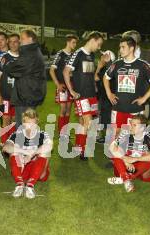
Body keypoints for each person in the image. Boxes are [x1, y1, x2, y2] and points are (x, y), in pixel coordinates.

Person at [103, 36, 150, 138]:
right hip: (118, 108)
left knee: (134, 137)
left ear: (131, 48)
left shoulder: (142, 65)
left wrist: (144, 98)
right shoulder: (117, 64)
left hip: (135, 109)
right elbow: (105, 78)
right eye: (120, 47)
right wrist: (109, 93)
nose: (120, 50)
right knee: (115, 136)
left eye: (123, 47)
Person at [63, 31, 104, 160]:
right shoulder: (78, 54)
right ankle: (82, 150)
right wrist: (72, 91)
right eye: (98, 44)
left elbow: (91, 74)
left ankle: (78, 147)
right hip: (82, 95)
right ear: (92, 40)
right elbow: (66, 71)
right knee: (88, 122)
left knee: (83, 122)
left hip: (92, 94)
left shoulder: (91, 55)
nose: (99, 47)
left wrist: (101, 65)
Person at [3, 109, 53, 199]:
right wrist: (24, 152)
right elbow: (6, 147)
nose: (30, 127)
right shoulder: (17, 135)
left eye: (33, 124)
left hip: (39, 171)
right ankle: (20, 185)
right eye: (27, 124)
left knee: (46, 151)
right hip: (22, 169)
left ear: (37, 124)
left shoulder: (43, 135)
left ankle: (30, 186)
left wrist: (32, 154)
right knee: (14, 151)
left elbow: (50, 146)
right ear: (23, 124)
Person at [3, 29, 46, 128]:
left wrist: (6, 63)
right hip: (30, 94)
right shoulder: (33, 52)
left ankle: (25, 143)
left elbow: (11, 69)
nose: (20, 41)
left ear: (30, 39)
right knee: (28, 125)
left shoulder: (30, 54)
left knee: (23, 127)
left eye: (22, 38)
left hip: (26, 96)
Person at [108, 114, 150, 192]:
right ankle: (126, 178)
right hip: (126, 166)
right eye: (131, 124)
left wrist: (135, 159)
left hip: (142, 169)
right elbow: (112, 147)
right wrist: (125, 160)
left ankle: (125, 179)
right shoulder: (125, 133)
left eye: (134, 125)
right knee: (116, 152)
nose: (131, 127)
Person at [122, 30, 150, 123]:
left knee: (141, 123)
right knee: (126, 124)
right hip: (126, 96)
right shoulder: (122, 54)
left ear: (134, 42)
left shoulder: (147, 55)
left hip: (144, 96)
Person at [49, 34, 78, 140]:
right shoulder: (60, 54)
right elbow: (51, 70)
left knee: (69, 109)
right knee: (63, 108)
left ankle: (65, 131)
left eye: (76, 43)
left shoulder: (74, 55)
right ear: (68, 42)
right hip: (62, 85)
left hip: (71, 86)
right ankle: (61, 132)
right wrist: (57, 84)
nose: (75, 44)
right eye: (73, 42)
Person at [0, 33, 20, 145]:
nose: (13, 44)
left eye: (16, 42)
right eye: (11, 42)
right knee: (6, 120)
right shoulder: (4, 57)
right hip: (6, 97)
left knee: (16, 120)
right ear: (8, 43)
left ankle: (13, 142)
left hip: (19, 97)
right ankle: (4, 143)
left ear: (19, 43)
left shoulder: (24, 57)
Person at [95, 50, 116, 143]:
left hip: (109, 97)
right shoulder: (104, 67)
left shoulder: (112, 68)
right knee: (101, 115)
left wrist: (98, 68)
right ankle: (101, 135)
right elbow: (95, 78)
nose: (101, 58)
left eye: (104, 56)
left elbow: (96, 77)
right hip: (102, 96)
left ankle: (109, 137)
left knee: (108, 117)